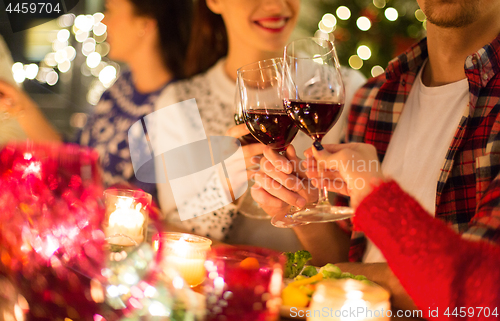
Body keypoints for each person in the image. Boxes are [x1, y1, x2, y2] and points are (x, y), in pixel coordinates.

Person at [251, 0, 500, 309]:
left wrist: (315, 279)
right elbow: (347, 255)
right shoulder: (373, 96)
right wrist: (303, 207)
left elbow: (482, 291)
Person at [153, 0, 366, 249]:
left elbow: (358, 251)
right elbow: (174, 240)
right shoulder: (178, 104)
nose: (275, 5)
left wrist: (303, 205)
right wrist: (223, 191)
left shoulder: (343, 89)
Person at [0, 0, 192, 199]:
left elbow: (156, 210)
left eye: (110, 11)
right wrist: (19, 105)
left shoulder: (176, 105)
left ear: (145, 24)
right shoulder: (121, 87)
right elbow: (75, 159)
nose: (104, 22)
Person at [305, 143, 500, 319]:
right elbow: (341, 254)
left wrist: (373, 195)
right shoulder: (369, 103)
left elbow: (474, 295)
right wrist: (303, 204)